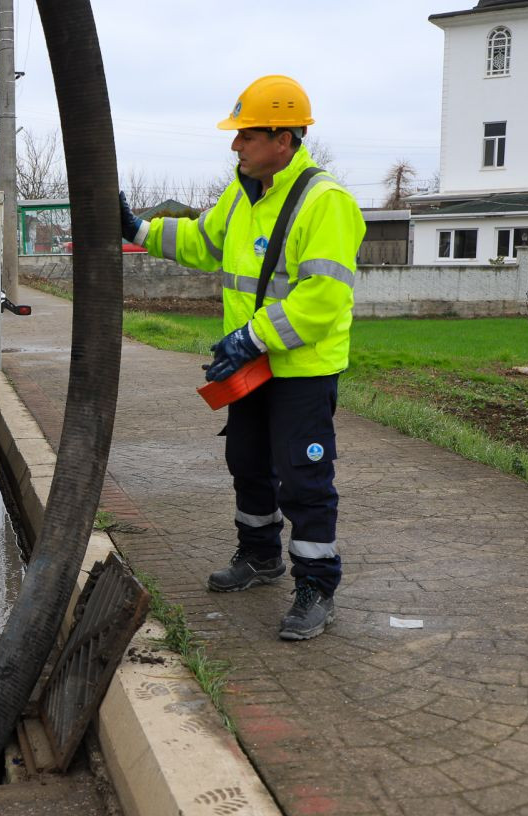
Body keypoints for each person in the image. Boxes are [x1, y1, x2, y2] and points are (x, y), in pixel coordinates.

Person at [119, 75, 364, 641]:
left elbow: (322, 300)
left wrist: (249, 337)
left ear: (284, 139)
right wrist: (137, 230)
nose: (235, 146)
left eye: (246, 136)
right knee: (248, 462)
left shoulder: (326, 203)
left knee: (304, 478)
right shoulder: (242, 192)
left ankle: (316, 586)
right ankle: (260, 557)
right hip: (253, 367)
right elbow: (203, 242)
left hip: (301, 370)